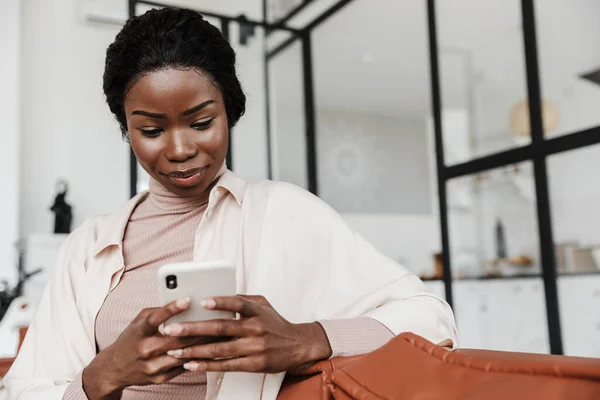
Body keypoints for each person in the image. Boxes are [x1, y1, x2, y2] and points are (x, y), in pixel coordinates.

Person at [5, 8, 458, 400]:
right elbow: (25, 388)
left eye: (201, 122)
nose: (180, 148)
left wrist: (309, 339)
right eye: (151, 130)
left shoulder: (286, 213)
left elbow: (431, 318)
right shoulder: (88, 247)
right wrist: (102, 377)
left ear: (230, 111)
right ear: (127, 129)